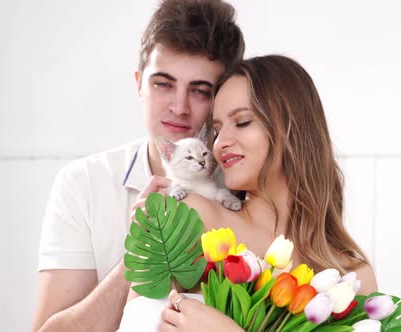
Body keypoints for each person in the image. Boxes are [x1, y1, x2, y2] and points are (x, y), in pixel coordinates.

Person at [121, 55, 378, 331]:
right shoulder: (187, 217)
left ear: (292, 129)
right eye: (217, 130)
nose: (220, 144)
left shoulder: (351, 273)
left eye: (242, 122)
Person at [31, 1, 245, 330]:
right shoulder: (84, 183)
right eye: (163, 84)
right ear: (138, 84)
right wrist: (140, 255)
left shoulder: (248, 184)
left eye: (200, 91)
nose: (179, 107)